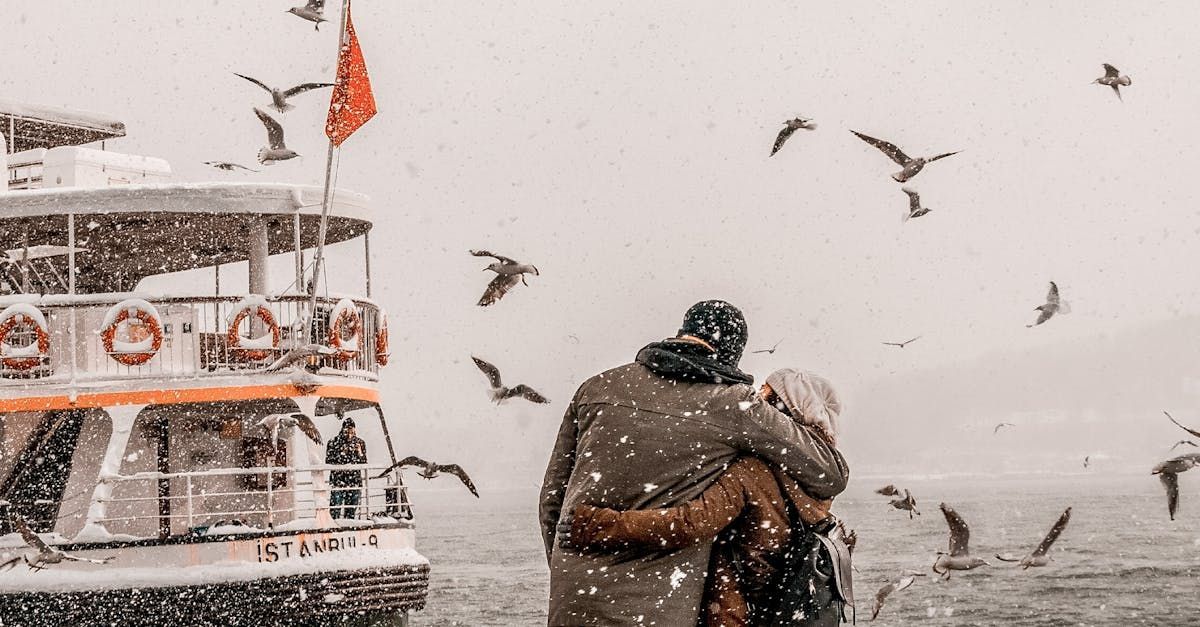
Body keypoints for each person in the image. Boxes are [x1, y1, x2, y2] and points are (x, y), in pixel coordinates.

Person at [540, 301, 850, 626]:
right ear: (731, 352)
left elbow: (552, 501)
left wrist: (571, 570)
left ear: (683, 331)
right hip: (661, 608)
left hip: (574, 596)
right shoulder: (732, 405)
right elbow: (832, 473)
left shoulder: (596, 387)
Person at [326, 417, 367, 519]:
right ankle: (333, 527)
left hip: (354, 481)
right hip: (338, 481)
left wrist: (360, 453)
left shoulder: (360, 442)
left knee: (351, 510)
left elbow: (364, 462)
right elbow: (328, 460)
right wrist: (341, 453)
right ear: (342, 430)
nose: (349, 435)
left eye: (352, 432)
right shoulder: (333, 442)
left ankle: (349, 526)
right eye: (347, 432)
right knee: (335, 509)